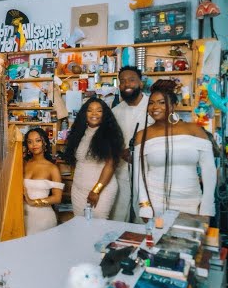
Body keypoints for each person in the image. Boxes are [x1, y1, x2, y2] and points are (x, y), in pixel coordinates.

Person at [134, 79, 216, 220]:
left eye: (161, 102)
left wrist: (207, 205)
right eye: (151, 103)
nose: (155, 107)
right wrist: (144, 205)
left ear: (173, 105)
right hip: (155, 204)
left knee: (191, 241)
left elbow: (209, 170)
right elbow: (139, 174)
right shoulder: (142, 135)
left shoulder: (195, 130)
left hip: (192, 203)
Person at [63, 97, 124, 219]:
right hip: (78, 189)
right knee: (79, 225)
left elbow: (110, 165)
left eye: (99, 110)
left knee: (98, 227)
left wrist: (96, 190)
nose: (94, 114)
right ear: (84, 113)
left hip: (102, 190)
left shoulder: (110, 134)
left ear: (104, 114)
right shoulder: (78, 133)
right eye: (90, 110)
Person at [110, 66, 154, 222]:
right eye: (122, 81)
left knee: (146, 220)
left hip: (149, 174)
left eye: (131, 80)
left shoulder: (154, 106)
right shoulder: (115, 111)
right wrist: (121, 151)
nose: (126, 84)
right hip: (121, 173)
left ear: (141, 83)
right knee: (118, 219)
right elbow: (111, 140)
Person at [23, 127, 64, 235]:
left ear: (44, 142)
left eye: (38, 140)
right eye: (30, 142)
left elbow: (57, 198)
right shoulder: (22, 164)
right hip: (22, 216)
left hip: (43, 219)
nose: (34, 145)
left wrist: (33, 202)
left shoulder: (52, 168)